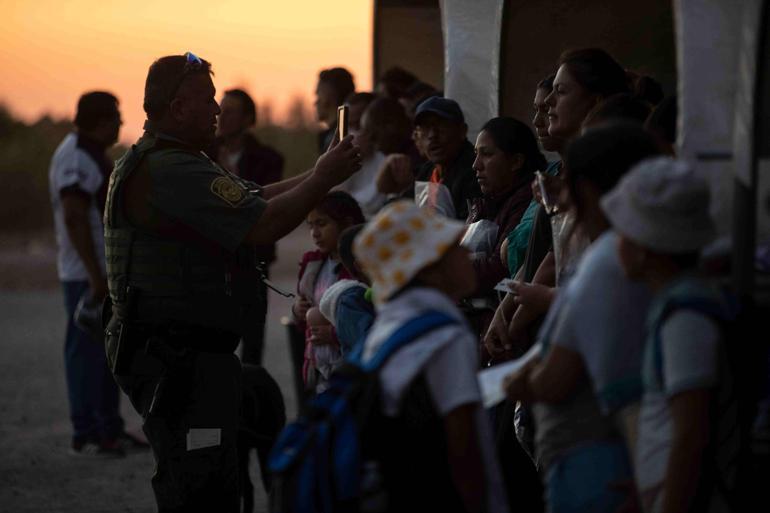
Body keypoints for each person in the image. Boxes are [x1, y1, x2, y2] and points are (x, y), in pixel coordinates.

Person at [103, 52, 361, 512]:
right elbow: (261, 224)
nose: (218, 110)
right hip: (177, 357)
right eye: (208, 100)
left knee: (229, 442)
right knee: (199, 484)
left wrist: (322, 171)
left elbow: (253, 199)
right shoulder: (170, 168)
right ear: (179, 106)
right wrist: (324, 178)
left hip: (187, 354)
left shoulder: (174, 161)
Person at [503, 122, 661, 513]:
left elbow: (555, 381)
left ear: (587, 189)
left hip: (595, 463)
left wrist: (518, 381)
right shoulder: (644, 252)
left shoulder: (608, 261)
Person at [353, 200, 508, 513]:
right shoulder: (445, 336)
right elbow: (464, 448)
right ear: (428, 269)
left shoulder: (390, 325)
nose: (467, 253)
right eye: (454, 248)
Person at [602, 157, 738, 513]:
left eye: (621, 233)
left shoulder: (686, 319)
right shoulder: (675, 304)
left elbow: (691, 438)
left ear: (643, 246)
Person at [48, 91, 145, 457]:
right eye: (118, 117)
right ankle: (90, 430)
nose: (121, 124)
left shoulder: (89, 153)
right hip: (86, 274)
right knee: (88, 351)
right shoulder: (75, 156)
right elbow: (74, 216)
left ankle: (108, 427)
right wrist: (95, 276)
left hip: (98, 272)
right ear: (103, 121)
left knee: (108, 353)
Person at [214, 87, 284, 366]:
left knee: (253, 343)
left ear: (248, 119)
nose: (221, 116)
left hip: (254, 258)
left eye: (230, 111)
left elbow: (261, 202)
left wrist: (225, 174)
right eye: (221, 109)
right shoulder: (199, 154)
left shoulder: (268, 158)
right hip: (212, 260)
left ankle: (250, 402)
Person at [291, 191, 365, 393]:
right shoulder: (313, 265)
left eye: (322, 224)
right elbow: (303, 322)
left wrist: (333, 333)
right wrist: (297, 310)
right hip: (317, 367)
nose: (314, 233)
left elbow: (368, 321)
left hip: (349, 366)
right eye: (311, 225)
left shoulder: (362, 270)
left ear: (347, 223)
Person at [334, 92, 387, 218]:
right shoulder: (346, 154)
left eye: (358, 124)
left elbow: (372, 204)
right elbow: (334, 201)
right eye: (349, 126)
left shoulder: (388, 154)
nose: (353, 133)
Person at [314, 66, 355, 153]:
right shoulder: (328, 137)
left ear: (328, 96)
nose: (315, 103)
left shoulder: (341, 137)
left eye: (318, 95)